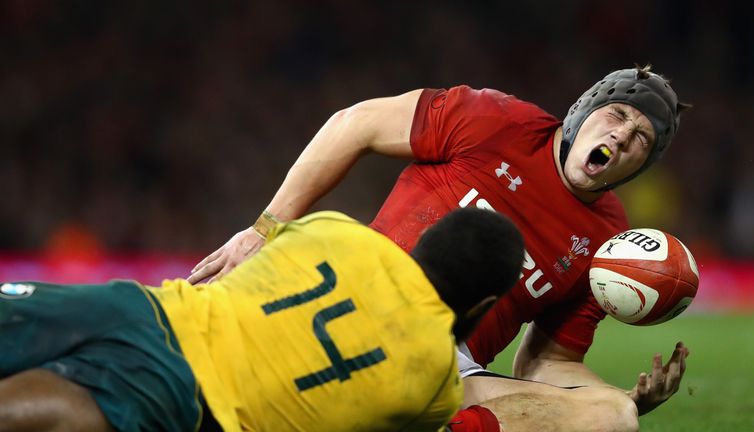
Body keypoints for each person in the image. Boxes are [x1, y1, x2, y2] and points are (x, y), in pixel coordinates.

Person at [188, 65, 691, 431]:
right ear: (584, 111)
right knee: (187, 357)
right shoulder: (497, 120)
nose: (621, 136)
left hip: (443, 367)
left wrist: (624, 394)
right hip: (352, 297)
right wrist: (264, 227)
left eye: (640, 138)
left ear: (642, 165)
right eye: (617, 115)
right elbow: (356, 124)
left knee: (613, 417)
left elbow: (542, 365)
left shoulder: (608, 243)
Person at [0, 208, 527, 432]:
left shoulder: (339, 231)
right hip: (184, 394)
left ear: (421, 244)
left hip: (141, 309)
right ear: (480, 306)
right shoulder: (434, 387)